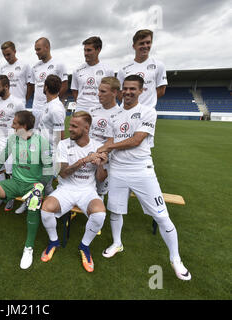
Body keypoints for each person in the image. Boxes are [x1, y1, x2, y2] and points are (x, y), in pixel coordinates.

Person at [97, 75, 191, 281]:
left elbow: (136, 140)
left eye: (133, 89)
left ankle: (175, 259)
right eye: (126, 89)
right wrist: (103, 154)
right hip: (118, 171)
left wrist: (108, 147)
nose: (128, 92)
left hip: (142, 170)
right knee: (115, 210)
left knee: (161, 215)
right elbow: (112, 140)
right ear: (121, 90)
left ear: (141, 91)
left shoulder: (148, 112)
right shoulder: (115, 115)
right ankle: (117, 243)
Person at [0, 110, 53, 270]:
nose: (11, 125)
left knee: (34, 202)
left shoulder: (42, 142)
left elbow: (49, 169)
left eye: (15, 123)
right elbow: (0, 160)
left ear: (24, 126)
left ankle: (28, 247)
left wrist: (40, 186)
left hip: (33, 186)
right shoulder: (13, 139)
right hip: (15, 182)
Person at [40, 111, 108, 273]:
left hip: (87, 190)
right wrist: (84, 160)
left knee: (100, 214)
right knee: (46, 208)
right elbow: (63, 173)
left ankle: (84, 246)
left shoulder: (98, 146)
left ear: (86, 128)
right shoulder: (63, 144)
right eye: (70, 125)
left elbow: (100, 179)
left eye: (74, 126)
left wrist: (100, 164)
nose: (69, 129)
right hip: (66, 189)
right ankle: (53, 241)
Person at [0, 74, 25, 211]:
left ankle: (10, 197)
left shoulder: (18, 102)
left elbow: (23, 124)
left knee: (11, 172)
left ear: (6, 86)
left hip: (12, 140)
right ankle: (1, 195)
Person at [117, 29, 167, 108]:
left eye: (148, 42)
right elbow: (119, 93)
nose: (145, 46)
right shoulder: (123, 69)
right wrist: (131, 104)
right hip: (126, 112)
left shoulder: (159, 65)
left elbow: (161, 90)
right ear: (134, 46)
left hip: (147, 113)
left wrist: (146, 103)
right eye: (141, 43)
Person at [89, 77, 121, 198]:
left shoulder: (120, 113)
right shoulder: (92, 110)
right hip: (88, 154)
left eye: (103, 91)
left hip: (105, 158)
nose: (98, 94)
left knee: (99, 190)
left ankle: (97, 213)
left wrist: (99, 155)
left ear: (114, 93)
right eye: (99, 90)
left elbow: (113, 141)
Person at [30, 37, 68, 128]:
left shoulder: (59, 64)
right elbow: (32, 86)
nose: (36, 52)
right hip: (36, 108)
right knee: (36, 137)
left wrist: (52, 101)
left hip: (50, 108)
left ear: (47, 47)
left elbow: (65, 86)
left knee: (52, 136)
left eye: (38, 49)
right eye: (35, 50)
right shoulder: (35, 67)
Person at [71, 36, 115, 113]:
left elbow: (112, 92)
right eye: (84, 50)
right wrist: (82, 104)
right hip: (81, 110)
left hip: (100, 110)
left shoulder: (108, 70)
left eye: (89, 50)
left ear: (98, 50)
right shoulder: (77, 70)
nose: (85, 53)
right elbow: (75, 90)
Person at [0, 41, 33, 106]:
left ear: (14, 51)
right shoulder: (3, 68)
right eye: (4, 55)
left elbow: (30, 85)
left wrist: (24, 100)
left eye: (8, 54)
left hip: (20, 103)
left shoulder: (25, 65)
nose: (6, 57)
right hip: (6, 104)